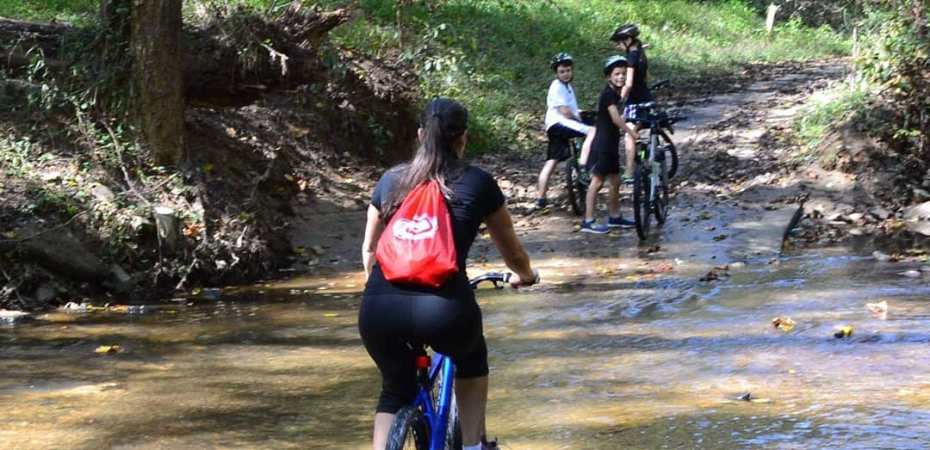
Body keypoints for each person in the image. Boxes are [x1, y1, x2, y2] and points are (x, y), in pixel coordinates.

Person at [359, 97, 539, 450]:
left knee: (395, 390)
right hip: (444, 309)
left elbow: (369, 249)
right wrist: (526, 275)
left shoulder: (390, 180)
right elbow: (514, 253)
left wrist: (378, 290)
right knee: (472, 358)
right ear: (463, 138)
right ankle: (472, 445)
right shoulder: (478, 183)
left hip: (379, 310)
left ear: (420, 135)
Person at [582, 55, 639, 234]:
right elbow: (615, 118)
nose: (621, 77)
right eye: (617, 74)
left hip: (611, 144)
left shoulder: (615, 93)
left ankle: (615, 217)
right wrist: (631, 132)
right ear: (608, 76)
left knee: (615, 180)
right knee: (597, 182)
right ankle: (588, 220)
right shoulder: (608, 94)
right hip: (603, 144)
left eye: (623, 74)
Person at [536, 52, 595, 209]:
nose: (566, 74)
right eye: (562, 71)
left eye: (568, 70)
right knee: (592, 132)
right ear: (556, 73)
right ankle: (583, 167)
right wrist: (579, 118)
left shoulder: (566, 87)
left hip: (554, 125)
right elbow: (565, 111)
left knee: (552, 160)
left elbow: (571, 108)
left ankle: (541, 198)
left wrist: (581, 112)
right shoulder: (557, 86)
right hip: (560, 123)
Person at [610, 23, 654, 183]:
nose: (618, 45)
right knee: (634, 128)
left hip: (636, 102)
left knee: (628, 133)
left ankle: (629, 172)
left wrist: (618, 99)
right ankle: (640, 152)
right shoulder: (641, 52)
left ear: (628, 40)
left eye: (619, 42)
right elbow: (647, 76)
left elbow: (627, 84)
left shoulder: (631, 58)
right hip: (647, 99)